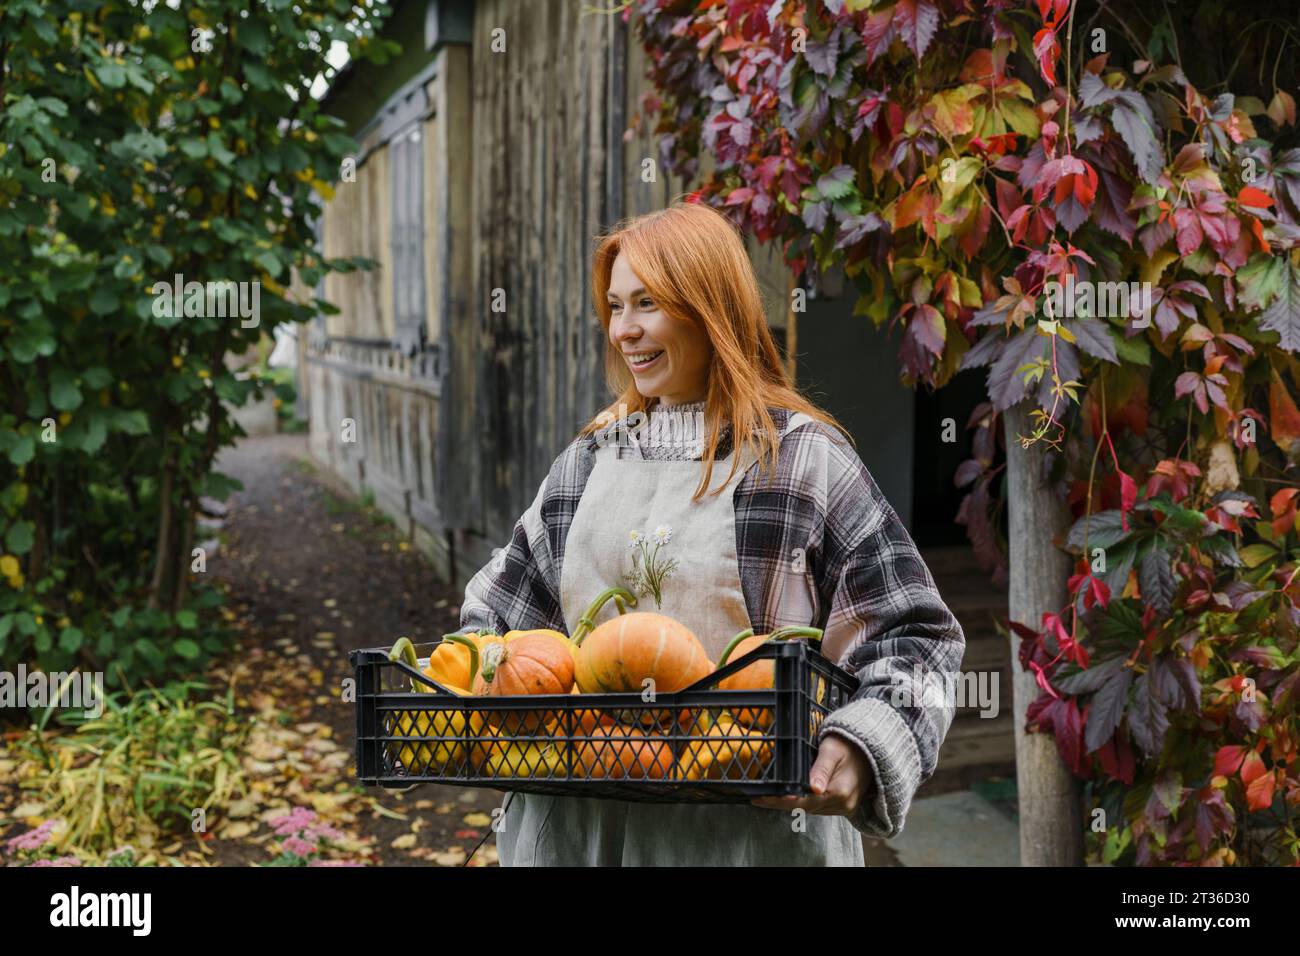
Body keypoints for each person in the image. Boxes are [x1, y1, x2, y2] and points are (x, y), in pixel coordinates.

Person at [449, 199, 965, 866]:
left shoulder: (801, 459)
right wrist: (470, 672)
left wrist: (864, 743)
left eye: (647, 304)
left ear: (708, 307)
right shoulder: (590, 459)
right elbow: (499, 620)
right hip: (578, 833)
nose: (622, 331)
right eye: (614, 306)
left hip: (746, 841)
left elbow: (916, 636)